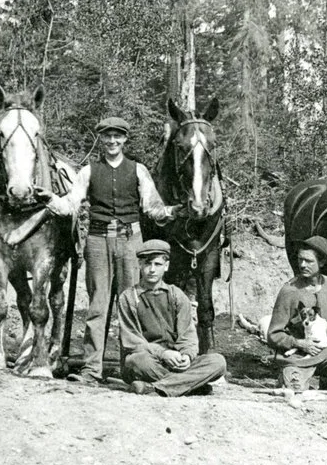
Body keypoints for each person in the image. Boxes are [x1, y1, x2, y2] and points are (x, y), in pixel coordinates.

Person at [38, 116, 178, 384]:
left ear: (125, 139)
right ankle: (92, 370)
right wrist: (50, 199)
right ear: (101, 139)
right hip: (98, 242)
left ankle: (131, 368)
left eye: (117, 136)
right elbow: (70, 204)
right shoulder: (88, 171)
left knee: (131, 304)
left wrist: (175, 211)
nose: (112, 141)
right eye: (107, 136)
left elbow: (153, 208)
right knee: (97, 306)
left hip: (130, 243)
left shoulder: (138, 170)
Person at [116, 240, 227, 397]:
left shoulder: (176, 295)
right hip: (149, 361)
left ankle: (156, 387)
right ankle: (191, 386)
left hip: (176, 361)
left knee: (218, 362)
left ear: (166, 266)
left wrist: (187, 355)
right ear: (140, 265)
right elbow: (132, 343)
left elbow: (188, 335)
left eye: (157, 264)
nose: (152, 270)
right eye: (147, 264)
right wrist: (163, 354)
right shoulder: (128, 298)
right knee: (136, 361)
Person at [266, 237, 327, 393]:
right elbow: (273, 335)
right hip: (298, 357)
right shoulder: (289, 291)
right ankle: (289, 376)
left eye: (309, 261)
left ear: (322, 262)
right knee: (295, 389)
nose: (302, 265)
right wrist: (299, 343)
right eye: (300, 260)